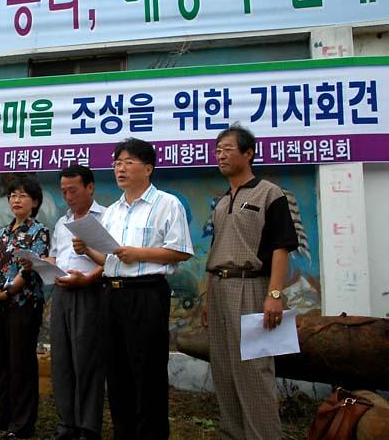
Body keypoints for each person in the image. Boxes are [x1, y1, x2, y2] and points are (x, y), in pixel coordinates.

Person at [74, 138, 194, 440]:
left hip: (146, 294)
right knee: (117, 372)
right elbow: (113, 258)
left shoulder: (167, 204)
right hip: (112, 294)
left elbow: (180, 251)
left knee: (148, 372)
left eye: (128, 162)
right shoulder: (112, 211)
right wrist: (88, 250)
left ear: (148, 168)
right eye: (116, 163)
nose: (120, 168)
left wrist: (138, 253)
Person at [202, 125, 298, 440]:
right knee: (224, 370)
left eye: (228, 148)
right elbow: (215, 250)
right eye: (218, 150)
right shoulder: (219, 203)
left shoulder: (270, 193)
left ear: (248, 153)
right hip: (219, 288)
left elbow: (281, 247)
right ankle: (232, 433)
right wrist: (206, 299)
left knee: (254, 372)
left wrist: (274, 293)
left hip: (252, 287)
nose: (221, 154)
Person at [0, 176, 50, 440]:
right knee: (0, 361)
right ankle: (2, 415)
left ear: (34, 202)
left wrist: (8, 291)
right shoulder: (1, 233)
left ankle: (22, 424)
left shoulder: (39, 232)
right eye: (12, 195)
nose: (16, 200)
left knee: (21, 363)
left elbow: (31, 269)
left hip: (23, 304)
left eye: (22, 195)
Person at [46, 165, 106, 440]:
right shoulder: (62, 222)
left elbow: (115, 262)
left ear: (90, 187)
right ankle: (67, 424)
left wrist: (89, 278)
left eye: (73, 190)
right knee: (62, 360)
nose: (68, 197)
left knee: (87, 361)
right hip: (61, 293)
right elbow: (57, 257)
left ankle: (88, 427)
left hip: (90, 292)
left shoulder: (106, 217)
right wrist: (43, 264)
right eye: (63, 191)